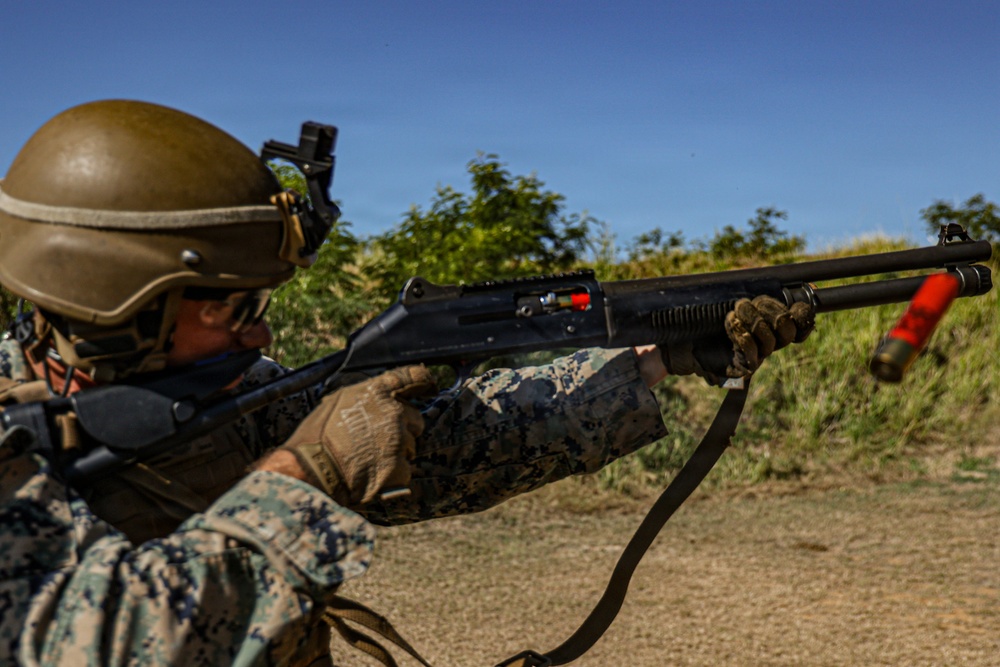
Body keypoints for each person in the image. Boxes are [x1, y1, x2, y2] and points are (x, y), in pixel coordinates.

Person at [0, 100, 814, 666]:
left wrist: (657, 356)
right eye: (234, 307)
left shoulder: (220, 398)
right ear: (113, 305)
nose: (261, 332)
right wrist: (304, 475)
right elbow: (102, 642)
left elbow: (452, 445)